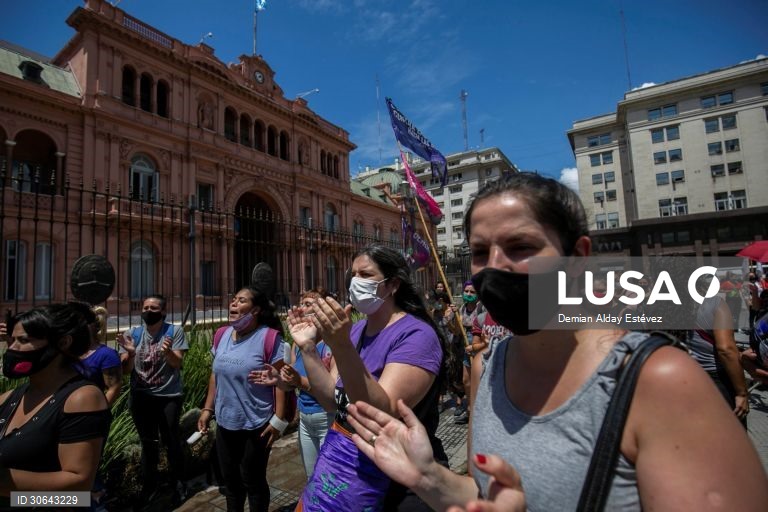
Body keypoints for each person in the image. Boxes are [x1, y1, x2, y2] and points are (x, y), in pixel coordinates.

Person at [345, 173, 768, 510]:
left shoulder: (659, 381)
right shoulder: (488, 368)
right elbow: (485, 495)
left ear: (578, 257)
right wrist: (429, 477)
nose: (495, 267)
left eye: (521, 246)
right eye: (479, 252)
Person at [273, 245, 446, 511]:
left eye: (365, 274)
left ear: (393, 285)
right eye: (353, 274)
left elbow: (381, 411)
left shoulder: (416, 335)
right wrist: (308, 347)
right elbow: (333, 400)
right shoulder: (356, 331)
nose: (355, 282)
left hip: (402, 481)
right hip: (351, 468)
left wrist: (340, 346)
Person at [0, 304, 111, 511]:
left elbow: (77, 494)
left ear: (63, 343)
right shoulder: (10, 398)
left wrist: (13, 494)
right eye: (12, 340)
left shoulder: (82, 398)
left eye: (24, 340)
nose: (12, 348)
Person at [197, 286, 289, 512]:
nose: (234, 304)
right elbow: (215, 374)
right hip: (226, 421)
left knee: (253, 480)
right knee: (231, 483)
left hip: (257, 424)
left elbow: (281, 379)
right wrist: (207, 409)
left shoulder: (269, 338)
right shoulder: (221, 335)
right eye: (234, 300)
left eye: (241, 301)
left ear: (255, 309)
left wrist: (278, 420)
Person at [118, 294, 189, 508]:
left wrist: (167, 352)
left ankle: (178, 482)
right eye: (145, 306)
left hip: (168, 396)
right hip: (141, 396)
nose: (148, 310)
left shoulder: (173, 331)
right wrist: (129, 354)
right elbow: (126, 370)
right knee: (148, 444)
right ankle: (149, 486)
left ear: (163, 312)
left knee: (170, 440)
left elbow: (177, 363)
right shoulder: (133, 334)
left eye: (154, 307)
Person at [279, 290, 335, 478]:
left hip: (327, 417)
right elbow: (291, 384)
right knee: (311, 477)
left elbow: (332, 393)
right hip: (305, 418)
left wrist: (298, 381)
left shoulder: (332, 345)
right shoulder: (298, 343)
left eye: (309, 304)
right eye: (302, 303)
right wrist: (279, 380)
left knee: (329, 479)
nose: (302, 308)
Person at [687, 279, 750, 426]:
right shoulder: (715, 304)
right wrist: (741, 393)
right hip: (715, 379)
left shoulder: (659, 308)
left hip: (679, 380)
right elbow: (726, 349)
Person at [77, 305, 122, 407]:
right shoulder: (69, 352)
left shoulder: (107, 355)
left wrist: (99, 411)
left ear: (92, 327)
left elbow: (114, 388)